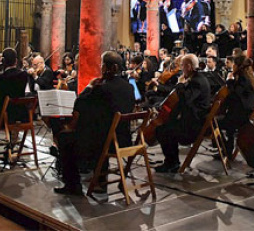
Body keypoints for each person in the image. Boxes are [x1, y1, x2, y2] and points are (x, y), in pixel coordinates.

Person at [54, 51, 135, 195]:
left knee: (65, 138)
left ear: (107, 67)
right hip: (124, 139)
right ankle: (100, 180)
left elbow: (79, 104)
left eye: (102, 64)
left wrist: (89, 87)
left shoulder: (101, 88)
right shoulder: (129, 87)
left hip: (104, 142)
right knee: (100, 128)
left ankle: (73, 185)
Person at [154, 54, 212, 173]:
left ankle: (172, 162)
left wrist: (180, 83)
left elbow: (185, 99)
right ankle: (172, 162)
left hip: (193, 127)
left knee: (161, 130)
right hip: (194, 120)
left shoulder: (196, 81)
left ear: (189, 67)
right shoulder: (199, 78)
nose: (181, 69)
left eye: (182, 66)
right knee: (167, 126)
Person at [217, 56, 254, 157]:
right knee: (226, 121)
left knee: (214, 123)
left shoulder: (243, 80)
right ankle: (227, 148)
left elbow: (234, 96)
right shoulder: (249, 77)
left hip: (241, 117)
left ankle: (225, 148)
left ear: (238, 66)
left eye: (234, 64)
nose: (233, 66)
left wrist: (229, 81)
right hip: (243, 114)